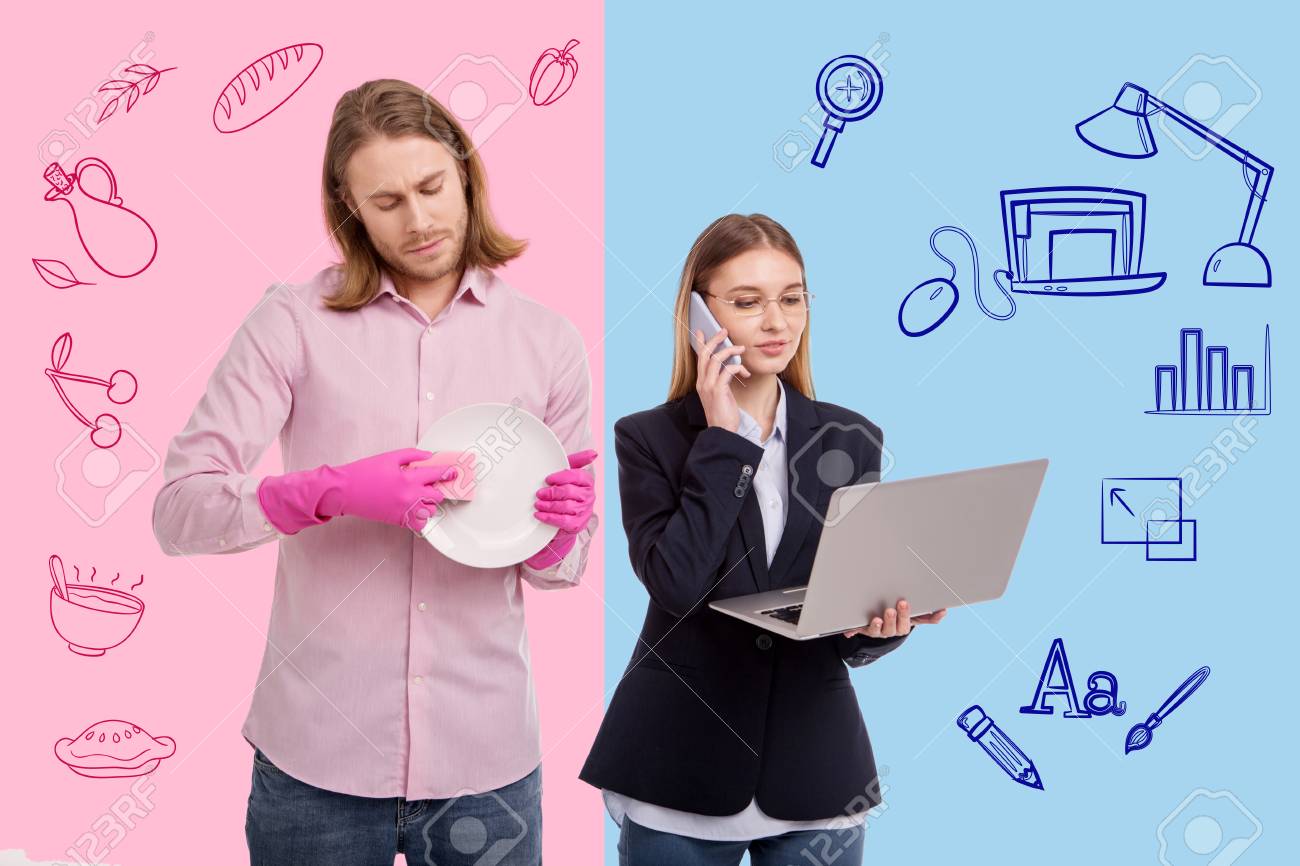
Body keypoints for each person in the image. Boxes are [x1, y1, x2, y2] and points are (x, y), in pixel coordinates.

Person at [151, 79, 598, 866]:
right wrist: (327, 492)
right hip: (314, 762)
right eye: (386, 202)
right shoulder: (292, 323)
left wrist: (560, 535)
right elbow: (179, 511)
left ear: (466, 174)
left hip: (485, 764)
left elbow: (559, 571)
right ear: (349, 210)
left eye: (431, 187)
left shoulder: (548, 342)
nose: (418, 220)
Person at [579, 213, 945, 865]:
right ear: (699, 316)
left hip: (816, 766)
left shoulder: (851, 438)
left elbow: (840, 626)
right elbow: (676, 583)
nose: (777, 322)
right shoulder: (650, 438)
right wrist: (724, 442)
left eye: (792, 298)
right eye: (748, 302)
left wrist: (882, 628)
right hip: (679, 764)